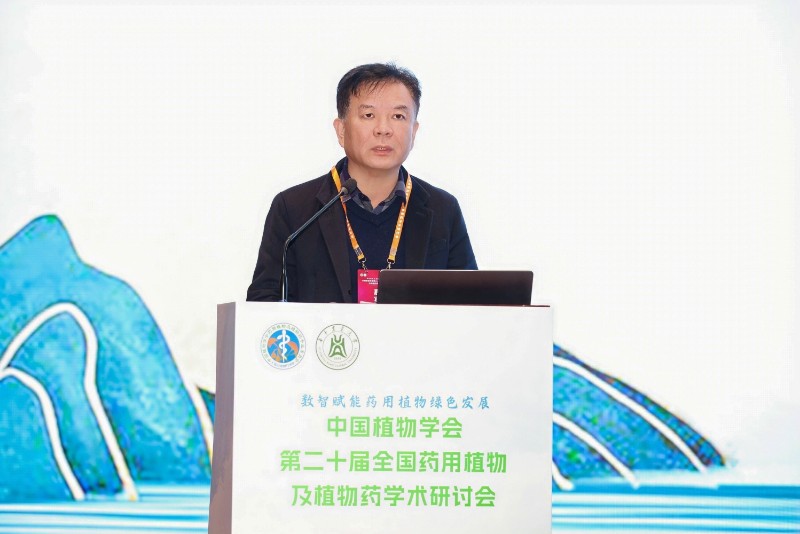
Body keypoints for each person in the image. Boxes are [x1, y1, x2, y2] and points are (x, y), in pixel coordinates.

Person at [246, 63, 477, 303]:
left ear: (414, 132)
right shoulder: (294, 208)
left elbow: (473, 304)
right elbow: (264, 303)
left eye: (398, 116)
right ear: (341, 130)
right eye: (368, 115)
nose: (383, 129)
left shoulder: (442, 209)